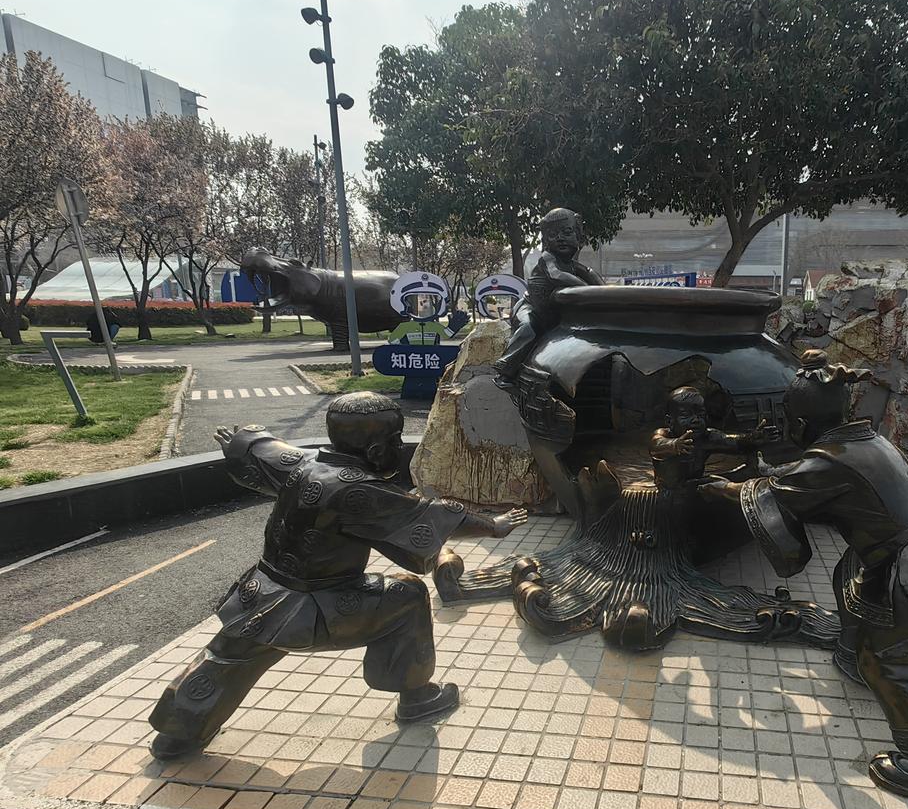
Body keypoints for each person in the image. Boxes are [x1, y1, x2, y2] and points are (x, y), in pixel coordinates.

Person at [148, 391, 527, 760]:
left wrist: (240, 442)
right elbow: (429, 514)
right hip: (318, 606)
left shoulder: (303, 464)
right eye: (395, 440)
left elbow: (263, 448)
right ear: (376, 450)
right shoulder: (360, 489)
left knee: (227, 654)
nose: (399, 447)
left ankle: (177, 733)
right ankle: (417, 696)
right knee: (409, 594)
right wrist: (492, 526)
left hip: (259, 593)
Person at [708, 350, 908, 805]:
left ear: (800, 422)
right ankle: (852, 655)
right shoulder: (865, 440)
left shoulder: (829, 461)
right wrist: (763, 468)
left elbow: (776, 494)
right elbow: (796, 477)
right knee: (848, 580)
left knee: (892, 661)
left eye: (790, 420)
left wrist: (722, 488)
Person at [494, 208, 603, 386]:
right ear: (545, 241)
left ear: (578, 236)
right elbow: (556, 275)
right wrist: (586, 289)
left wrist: (604, 292)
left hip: (554, 316)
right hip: (531, 309)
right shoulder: (547, 259)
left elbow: (591, 274)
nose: (560, 238)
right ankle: (505, 370)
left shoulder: (574, 267)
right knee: (528, 329)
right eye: (552, 235)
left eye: (567, 232)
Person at [649, 386, 777, 490]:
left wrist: (752, 438)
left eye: (700, 414)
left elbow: (734, 442)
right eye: (686, 415)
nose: (696, 420)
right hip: (668, 492)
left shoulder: (706, 437)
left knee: (730, 477)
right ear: (669, 421)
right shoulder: (664, 434)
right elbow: (655, 446)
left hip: (694, 485)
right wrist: (674, 445)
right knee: (716, 486)